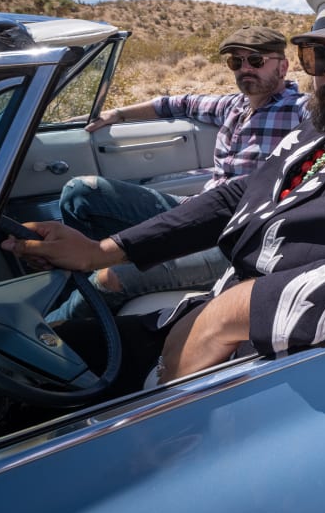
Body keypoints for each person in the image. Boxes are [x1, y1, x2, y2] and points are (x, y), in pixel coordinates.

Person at [3, 0, 325, 392]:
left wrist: (227, 314)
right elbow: (246, 193)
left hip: (251, 366)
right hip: (211, 312)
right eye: (318, 57)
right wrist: (105, 249)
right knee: (42, 357)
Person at [46, 25, 310, 321]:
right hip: (194, 211)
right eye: (237, 62)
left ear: (283, 66)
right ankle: (78, 282)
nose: (245, 68)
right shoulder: (231, 106)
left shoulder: (300, 110)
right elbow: (175, 104)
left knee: (110, 277)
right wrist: (118, 114)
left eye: (256, 61)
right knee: (81, 192)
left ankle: (50, 334)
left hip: (237, 239)